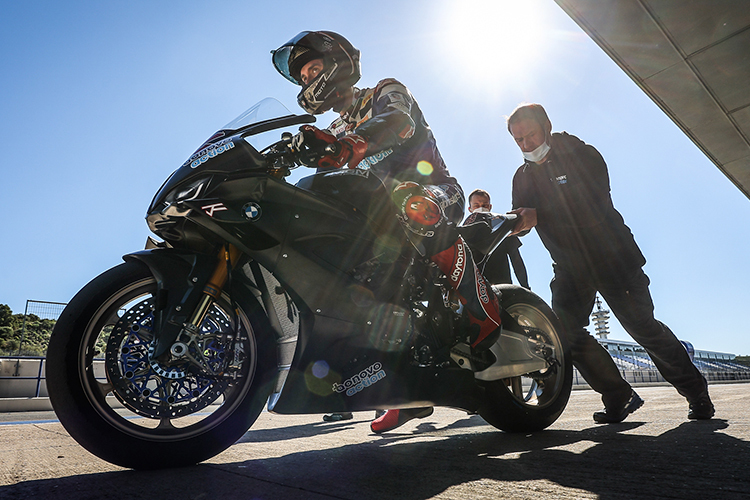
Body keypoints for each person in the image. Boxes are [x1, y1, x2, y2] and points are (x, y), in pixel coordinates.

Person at [272, 31, 503, 433]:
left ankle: (482, 312)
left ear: (336, 62)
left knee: (411, 201)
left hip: (434, 191)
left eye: (313, 68)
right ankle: (401, 382)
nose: (309, 78)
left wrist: (353, 143)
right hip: (376, 218)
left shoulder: (384, 90)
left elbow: (398, 121)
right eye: (303, 74)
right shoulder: (333, 130)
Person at [506, 103, 714, 422]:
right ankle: (618, 394)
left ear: (547, 125)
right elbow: (523, 218)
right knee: (564, 333)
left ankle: (696, 392)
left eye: (530, 134)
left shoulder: (584, 155)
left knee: (642, 328)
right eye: (518, 139)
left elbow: (593, 210)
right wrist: (506, 224)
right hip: (570, 267)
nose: (525, 144)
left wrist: (539, 215)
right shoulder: (521, 177)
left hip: (613, 257)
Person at [463, 189, 529, 288]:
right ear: (470, 209)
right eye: (476, 206)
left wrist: (526, 287)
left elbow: (516, 261)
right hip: (475, 289)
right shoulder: (463, 235)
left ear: (490, 207)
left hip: (503, 288)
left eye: (485, 205)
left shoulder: (503, 227)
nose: (481, 208)